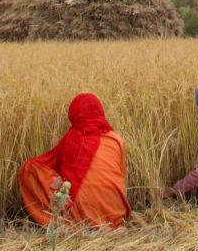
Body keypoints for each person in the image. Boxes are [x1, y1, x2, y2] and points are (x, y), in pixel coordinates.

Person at [18, 92, 130, 229]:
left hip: (84, 219)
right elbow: (121, 178)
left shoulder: (72, 140)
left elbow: (62, 174)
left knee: (29, 169)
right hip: (116, 217)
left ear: (73, 115)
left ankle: (65, 224)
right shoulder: (116, 139)